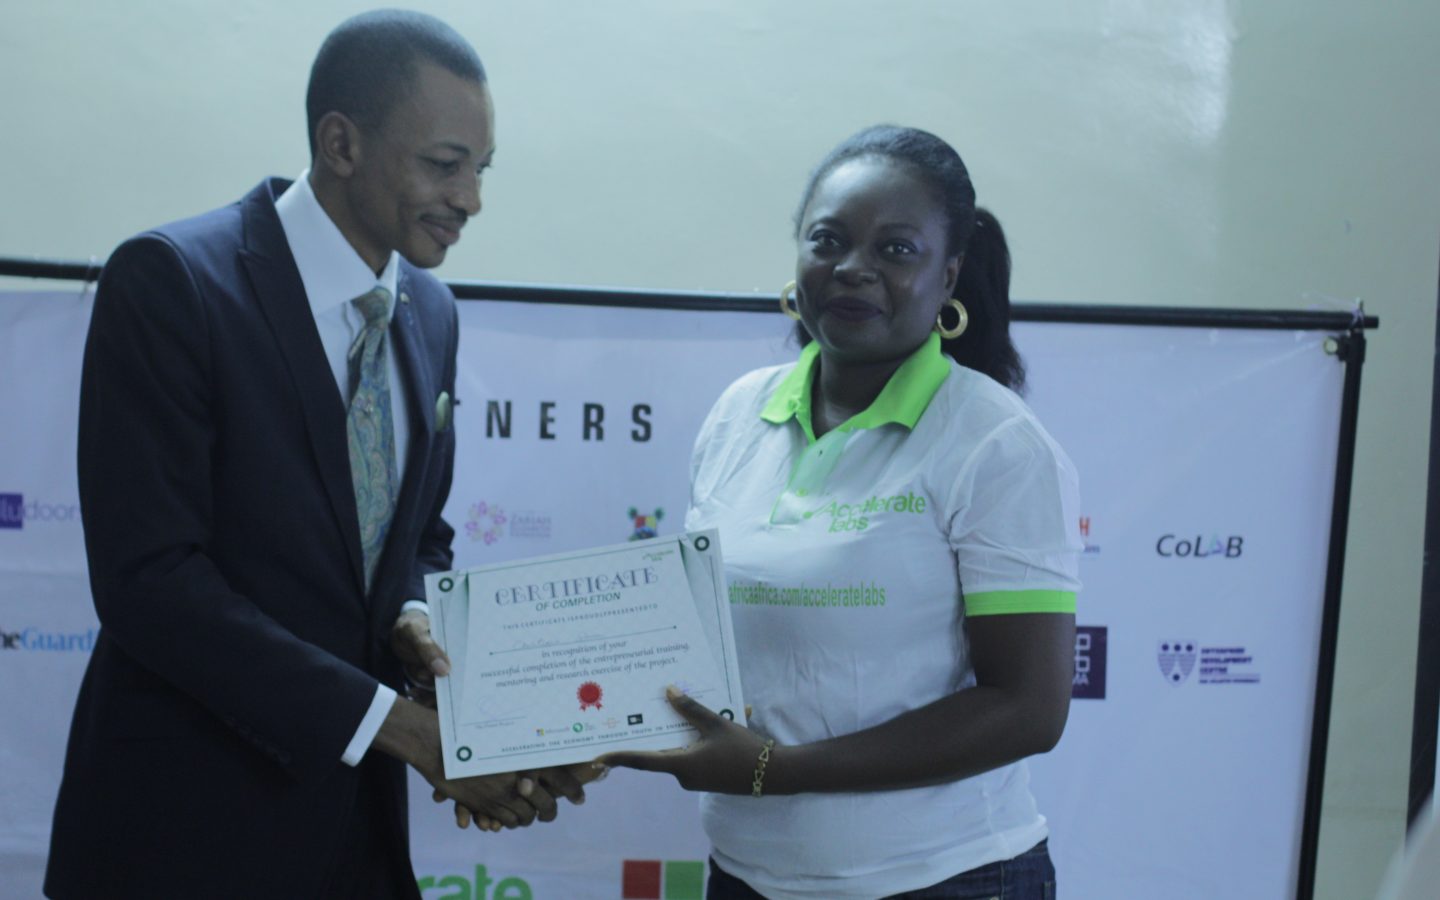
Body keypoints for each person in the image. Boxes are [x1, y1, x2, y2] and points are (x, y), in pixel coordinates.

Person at [45, 11, 588, 899]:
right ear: (341, 143)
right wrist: (406, 732)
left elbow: (419, 535)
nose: (471, 200)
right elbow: (151, 583)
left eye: (481, 170)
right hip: (181, 837)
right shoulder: (174, 281)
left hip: (357, 843)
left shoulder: (430, 312)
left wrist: (413, 615)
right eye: (444, 164)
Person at [600, 125, 1081, 899]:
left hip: (944, 879)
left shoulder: (995, 445)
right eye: (828, 240)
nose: (854, 267)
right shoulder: (738, 414)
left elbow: (1028, 709)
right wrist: (559, 728)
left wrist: (775, 769)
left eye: (897, 249)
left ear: (949, 275)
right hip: (747, 874)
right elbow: (693, 638)